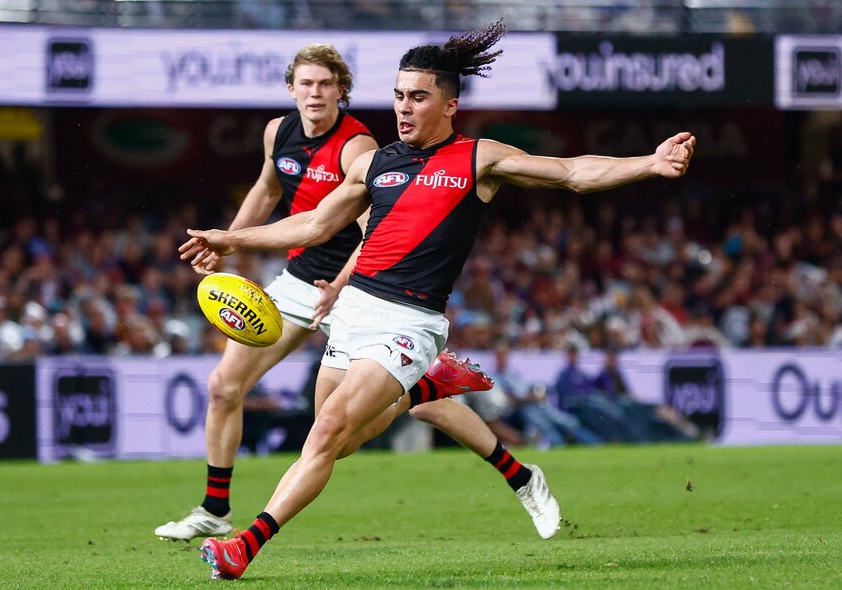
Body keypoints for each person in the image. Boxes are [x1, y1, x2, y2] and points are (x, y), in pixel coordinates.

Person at [179, 21, 695, 580]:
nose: (403, 107)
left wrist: (647, 162)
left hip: (410, 320)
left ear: (450, 104)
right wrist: (231, 238)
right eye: (398, 95)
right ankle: (425, 385)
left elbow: (570, 172)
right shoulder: (373, 163)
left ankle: (244, 546)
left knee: (327, 432)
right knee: (337, 442)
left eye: (418, 97)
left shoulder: (478, 159)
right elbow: (314, 222)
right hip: (353, 311)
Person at [157, 43, 550, 545]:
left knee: (356, 426)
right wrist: (227, 243)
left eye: (326, 84)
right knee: (224, 387)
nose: (315, 93)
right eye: (306, 83)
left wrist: (340, 286)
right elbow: (267, 192)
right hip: (302, 281)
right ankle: (215, 509)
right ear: (290, 89)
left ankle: (506, 462)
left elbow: (378, 232)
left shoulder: (359, 150)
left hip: (357, 284)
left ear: (342, 91)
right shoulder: (278, 133)